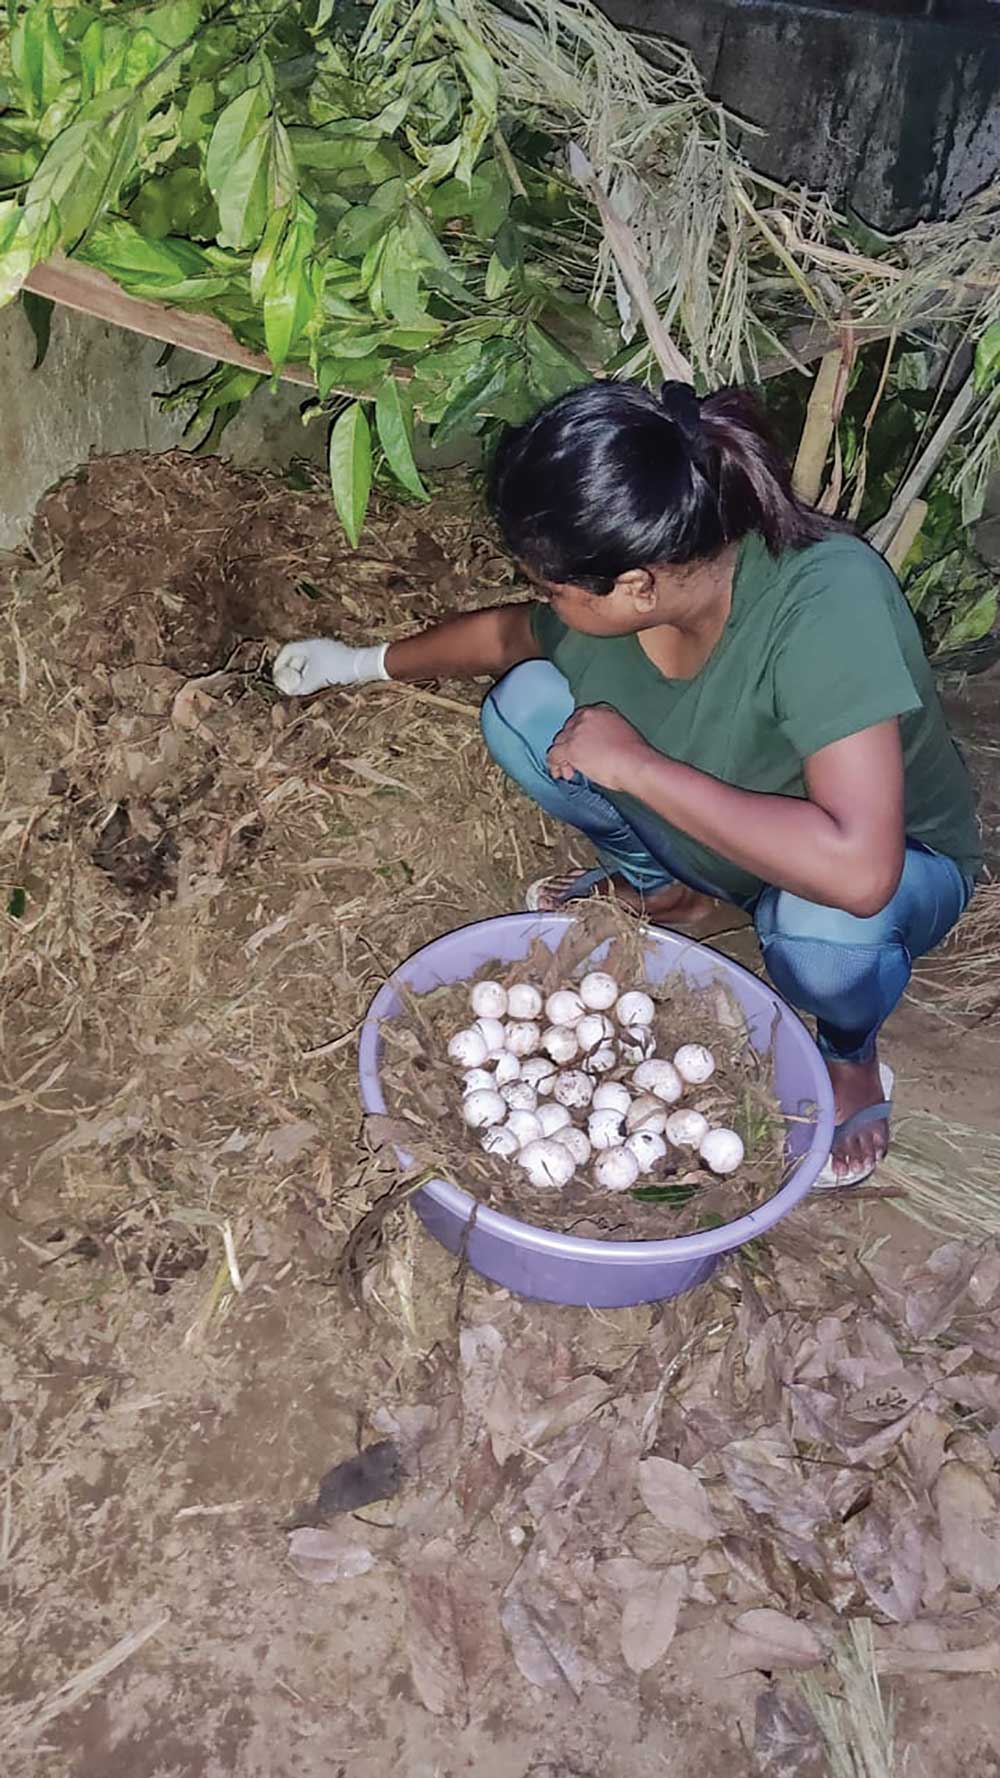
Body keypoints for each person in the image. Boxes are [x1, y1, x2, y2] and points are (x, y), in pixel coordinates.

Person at [273, 380, 980, 1187]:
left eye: (554, 587)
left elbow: (860, 873)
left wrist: (635, 764)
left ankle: (849, 1052)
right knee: (526, 711)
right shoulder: (636, 597)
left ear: (638, 585)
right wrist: (358, 665)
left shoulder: (824, 599)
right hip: (730, 837)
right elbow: (504, 637)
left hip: (890, 878)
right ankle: (678, 891)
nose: (543, 600)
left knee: (818, 930)